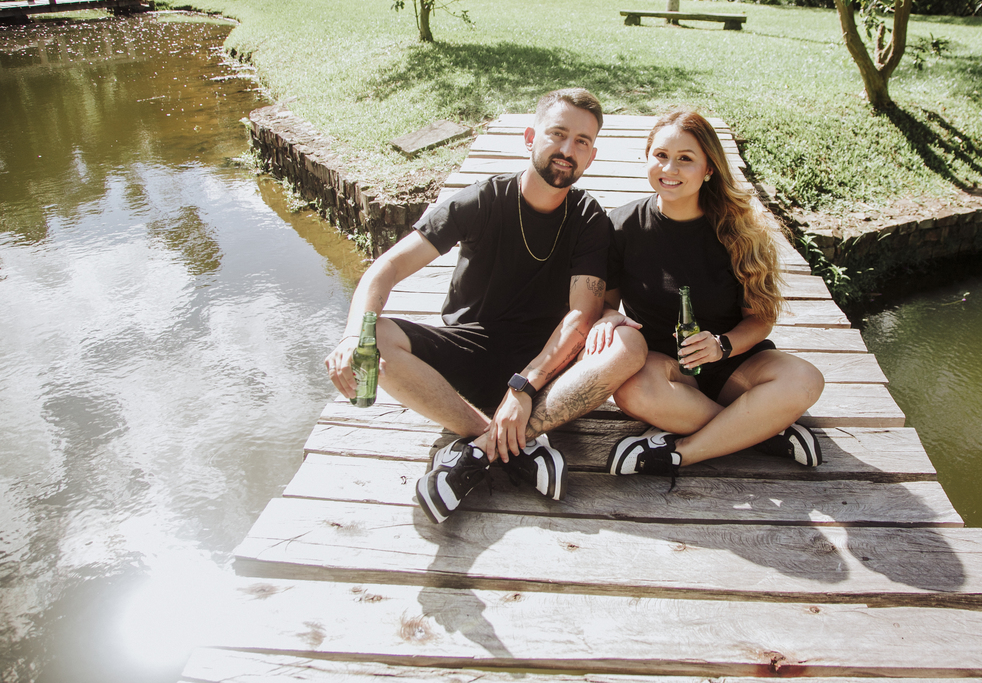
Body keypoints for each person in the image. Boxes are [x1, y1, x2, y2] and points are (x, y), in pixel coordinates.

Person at [326, 89, 647, 522]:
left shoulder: (588, 217)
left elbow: (581, 316)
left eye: (582, 141)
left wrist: (523, 387)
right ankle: (510, 444)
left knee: (629, 346)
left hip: (547, 374)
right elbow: (385, 268)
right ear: (531, 137)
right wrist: (353, 335)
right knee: (375, 335)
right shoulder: (481, 200)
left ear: (591, 156)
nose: (567, 150)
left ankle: (477, 452)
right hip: (468, 354)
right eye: (557, 134)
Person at [587, 110, 825, 478]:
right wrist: (607, 318)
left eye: (686, 158)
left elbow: (760, 320)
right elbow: (608, 304)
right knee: (630, 392)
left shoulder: (740, 232)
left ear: (709, 168)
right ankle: (762, 430)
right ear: (647, 157)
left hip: (735, 365)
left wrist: (721, 345)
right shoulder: (620, 226)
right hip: (666, 372)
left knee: (806, 380)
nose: (670, 168)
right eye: (661, 155)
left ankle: (681, 452)